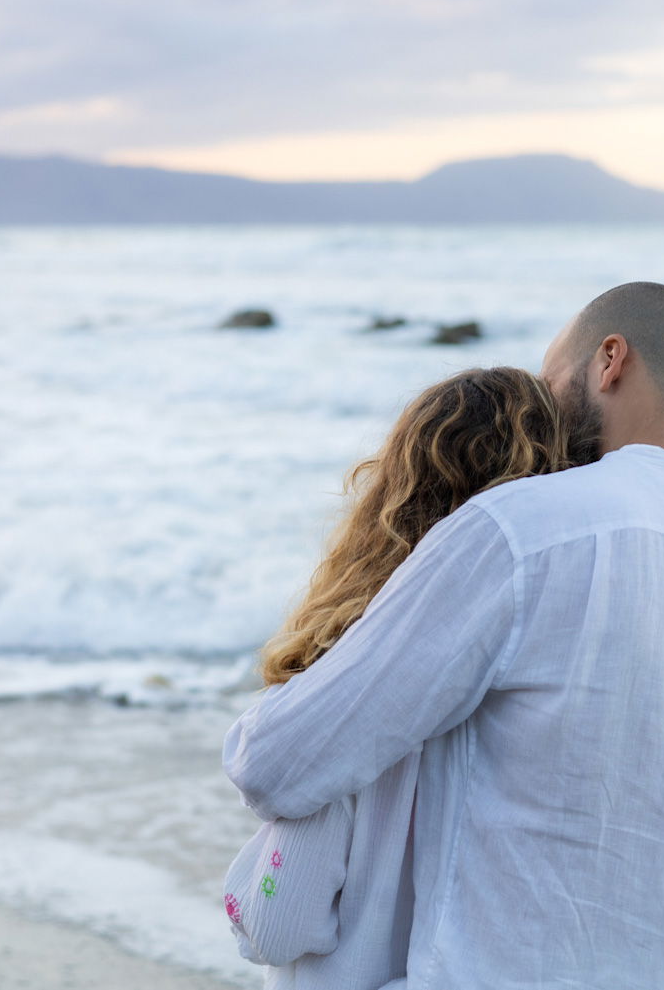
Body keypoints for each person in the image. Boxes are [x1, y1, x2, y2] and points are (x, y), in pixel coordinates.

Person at [223, 281, 664, 989]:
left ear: (610, 360)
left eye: (552, 376)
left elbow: (280, 761)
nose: (544, 405)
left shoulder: (522, 528)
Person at [222, 366, 573, 988]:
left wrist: (240, 898)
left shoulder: (356, 678)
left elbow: (279, 923)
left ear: (398, 489)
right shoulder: (551, 674)